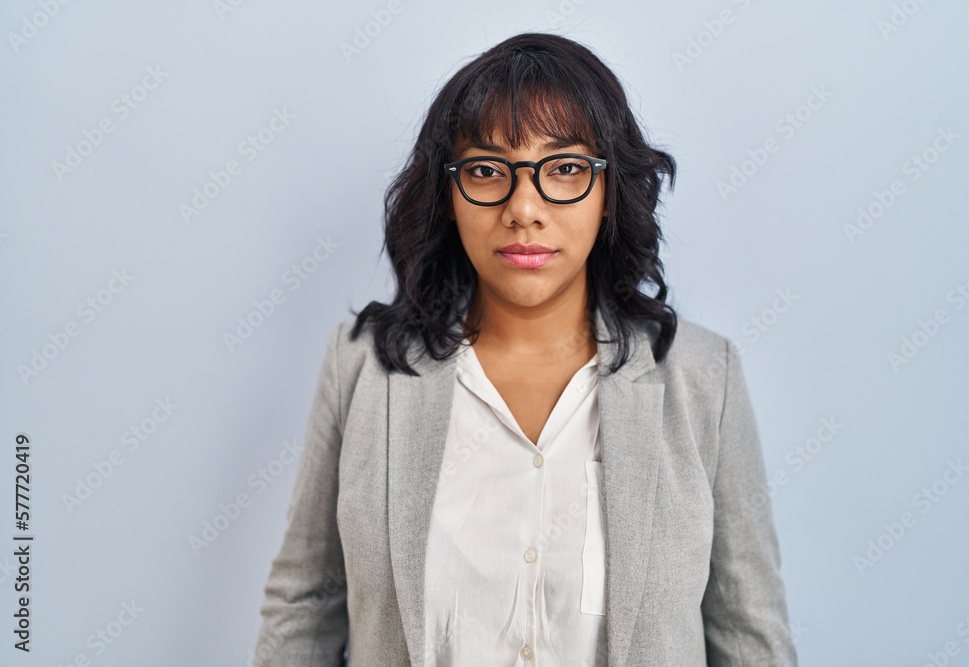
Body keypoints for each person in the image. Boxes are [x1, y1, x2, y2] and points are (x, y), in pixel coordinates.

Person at [251, 31, 797, 666]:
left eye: (564, 168)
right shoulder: (365, 367)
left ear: (610, 189)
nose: (524, 208)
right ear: (447, 193)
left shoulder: (704, 377)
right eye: (487, 170)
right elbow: (305, 604)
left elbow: (749, 631)